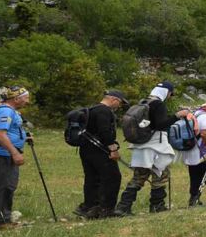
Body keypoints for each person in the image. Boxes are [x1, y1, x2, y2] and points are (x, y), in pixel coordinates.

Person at [116, 82, 186, 216]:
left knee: (138, 177)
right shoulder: (158, 104)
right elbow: (160, 125)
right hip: (155, 145)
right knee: (161, 174)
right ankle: (157, 205)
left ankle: (123, 207)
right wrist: (177, 116)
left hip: (140, 145)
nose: (170, 97)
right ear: (167, 92)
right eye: (170, 94)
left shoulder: (143, 101)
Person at [78, 90, 128, 220]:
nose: (119, 106)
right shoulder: (104, 111)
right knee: (112, 177)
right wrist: (113, 149)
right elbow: (104, 131)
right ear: (114, 100)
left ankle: (89, 207)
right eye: (120, 103)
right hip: (100, 150)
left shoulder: (91, 109)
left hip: (86, 150)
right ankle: (106, 209)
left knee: (92, 178)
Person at [0, 87, 31, 229]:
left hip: (4, 153)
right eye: (25, 98)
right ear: (16, 99)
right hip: (1, 154)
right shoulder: (5, 111)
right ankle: (1, 221)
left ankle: (4, 217)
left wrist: (24, 137)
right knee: (3, 186)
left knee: (8, 185)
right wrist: (15, 153)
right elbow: (0, 134)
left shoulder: (10, 111)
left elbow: (11, 131)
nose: (27, 101)